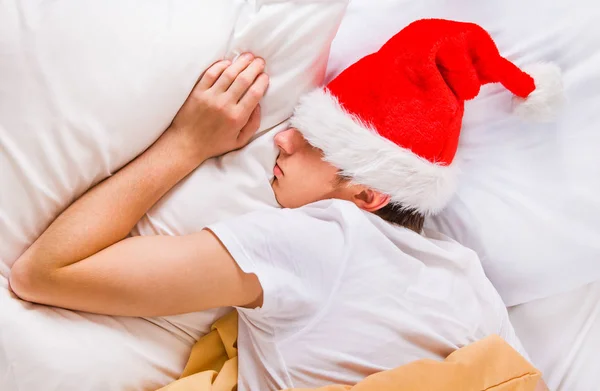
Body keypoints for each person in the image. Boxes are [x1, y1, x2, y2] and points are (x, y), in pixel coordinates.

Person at [10, 20, 557, 391]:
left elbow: (46, 273)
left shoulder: (319, 242)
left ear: (368, 194)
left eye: (315, 140)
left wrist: (187, 144)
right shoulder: (467, 281)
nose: (281, 140)